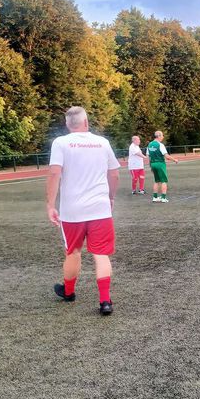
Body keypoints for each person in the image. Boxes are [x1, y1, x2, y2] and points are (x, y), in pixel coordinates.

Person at [46, 106, 120, 316]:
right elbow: (114, 174)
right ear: (86, 122)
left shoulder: (60, 143)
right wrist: (111, 197)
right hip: (100, 209)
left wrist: (50, 205)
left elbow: (54, 174)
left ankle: (69, 292)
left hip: (72, 211)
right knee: (101, 254)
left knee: (73, 251)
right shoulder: (102, 142)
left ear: (67, 125)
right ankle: (105, 301)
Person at [147, 130, 179, 203]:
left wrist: (151, 166)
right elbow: (166, 156)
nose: (163, 137)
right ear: (158, 136)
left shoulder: (149, 144)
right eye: (162, 135)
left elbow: (149, 157)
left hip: (153, 164)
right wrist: (174, 160)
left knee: (156, 181)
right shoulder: (160, 145)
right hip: (160, 164)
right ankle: (163, 198)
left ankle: (155, 197)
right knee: (164, 181)